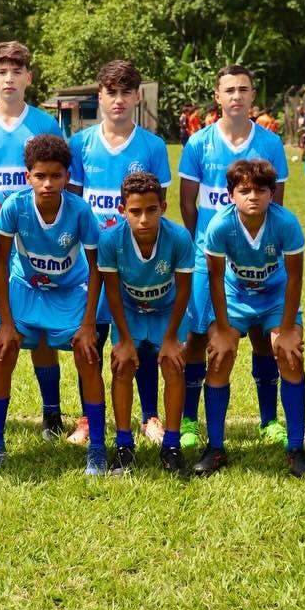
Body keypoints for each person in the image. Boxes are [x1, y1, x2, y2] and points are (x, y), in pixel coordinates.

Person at [177, 65, 289, 451]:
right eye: (230, 90)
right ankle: (190, 419)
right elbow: (187, 204)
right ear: (218, 96)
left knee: (262, 336)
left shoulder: (270, 144)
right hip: (209, 259)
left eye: (244, 89)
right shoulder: (198, 143)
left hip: (258, 261)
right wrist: (201, 245)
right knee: (197, 338)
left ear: (253, 95)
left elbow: (279, 203)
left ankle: (269, 420)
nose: (237, 96)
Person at [0, 41, 65, 438]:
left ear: (28, 78)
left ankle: (51, 411)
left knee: (38, 323)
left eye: (16, 71)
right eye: (1, 71)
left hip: (36, 243)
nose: (9, 77)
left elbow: (57, 184)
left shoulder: (45, 125)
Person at [0, 134, 104, 475]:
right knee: (3, 350)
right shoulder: (15, 207)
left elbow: (96, 267)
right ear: (28, 176)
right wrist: (6, 323)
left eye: (56, 175)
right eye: (40, 176)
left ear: (68, 176)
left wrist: (87, 324)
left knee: (87, 353)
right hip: (26, 289)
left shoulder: (80, 211)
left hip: (69, 292)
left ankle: (96, 448)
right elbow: (0, 263)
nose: (48, 183)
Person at [67, 59, 172, 446]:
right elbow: (75, 205)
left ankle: (149, 417)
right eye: (111, 93)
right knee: (91, 337)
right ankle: (87, 418)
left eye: (126, 92)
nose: (118, 100)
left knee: (140, 342)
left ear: (136, 97)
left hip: (136, 262)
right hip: (93, 262)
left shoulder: (153, 146)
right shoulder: (80, 144)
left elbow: (162, 206)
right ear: (100, 96)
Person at [197, 159, 305, 477]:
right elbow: (215, 280)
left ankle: (296, 448)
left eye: (260, 190)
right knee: (220, 354)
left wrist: (286, 329)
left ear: (272, 194)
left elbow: (296, 278)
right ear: (231, 194)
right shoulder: (219, 225)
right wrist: (219, 327)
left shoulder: (285, 223)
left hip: (275, 297)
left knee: (289, 354)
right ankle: (215, 447)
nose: (253, 197)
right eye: (244, 190)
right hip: (235, 298)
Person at [94, 172, 194, 476]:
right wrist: (123, 339)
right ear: (122, 210)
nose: (144, 218)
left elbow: (184, 290)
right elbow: (111, 291)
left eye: (151, 210)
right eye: (135, 211)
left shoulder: (178, 238)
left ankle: (172, 446)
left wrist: (171, 339)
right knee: (122, 364)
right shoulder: (111, 239)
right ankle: (124, 446)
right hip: (129, 312)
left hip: (168, 311)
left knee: (174, 364)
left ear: (163, 206)